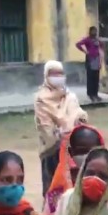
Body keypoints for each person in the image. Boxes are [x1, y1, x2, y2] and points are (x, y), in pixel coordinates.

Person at [34, 60, 88, 195]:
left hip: (73, 147)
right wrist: (59, 138)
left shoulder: (70, 96)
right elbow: (45, 126)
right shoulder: (41, 99)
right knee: (52, 187)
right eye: (53, 73)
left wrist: (78, 123)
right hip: (51, 149)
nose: (58, 77)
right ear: (46, 75)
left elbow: (79, 114)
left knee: (73, 186)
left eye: (60, 73)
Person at [76, 26, 105, 102]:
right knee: (90, 78)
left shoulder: (98, 40)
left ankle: (96, 94)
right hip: (90, 60)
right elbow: (78, 44)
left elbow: (101, 49)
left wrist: (101, 61)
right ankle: (90, 94)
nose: (94, 32)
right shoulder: (87, 39)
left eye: (95, 31)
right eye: (93, 31)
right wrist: (85, 51)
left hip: (97, 60)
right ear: (90, 32)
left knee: (96, 78)